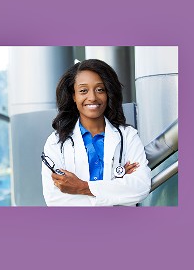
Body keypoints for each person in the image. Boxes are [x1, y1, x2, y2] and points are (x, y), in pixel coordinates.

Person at [41, 59, 151, 206]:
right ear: (73, 96)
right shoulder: (56, 142)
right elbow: (55, 200)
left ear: (108, 93)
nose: (92, 97)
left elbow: (140, 187)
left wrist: (82, 187)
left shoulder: (127, 136)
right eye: (83, 91)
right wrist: (115, 188)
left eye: (100, 89)